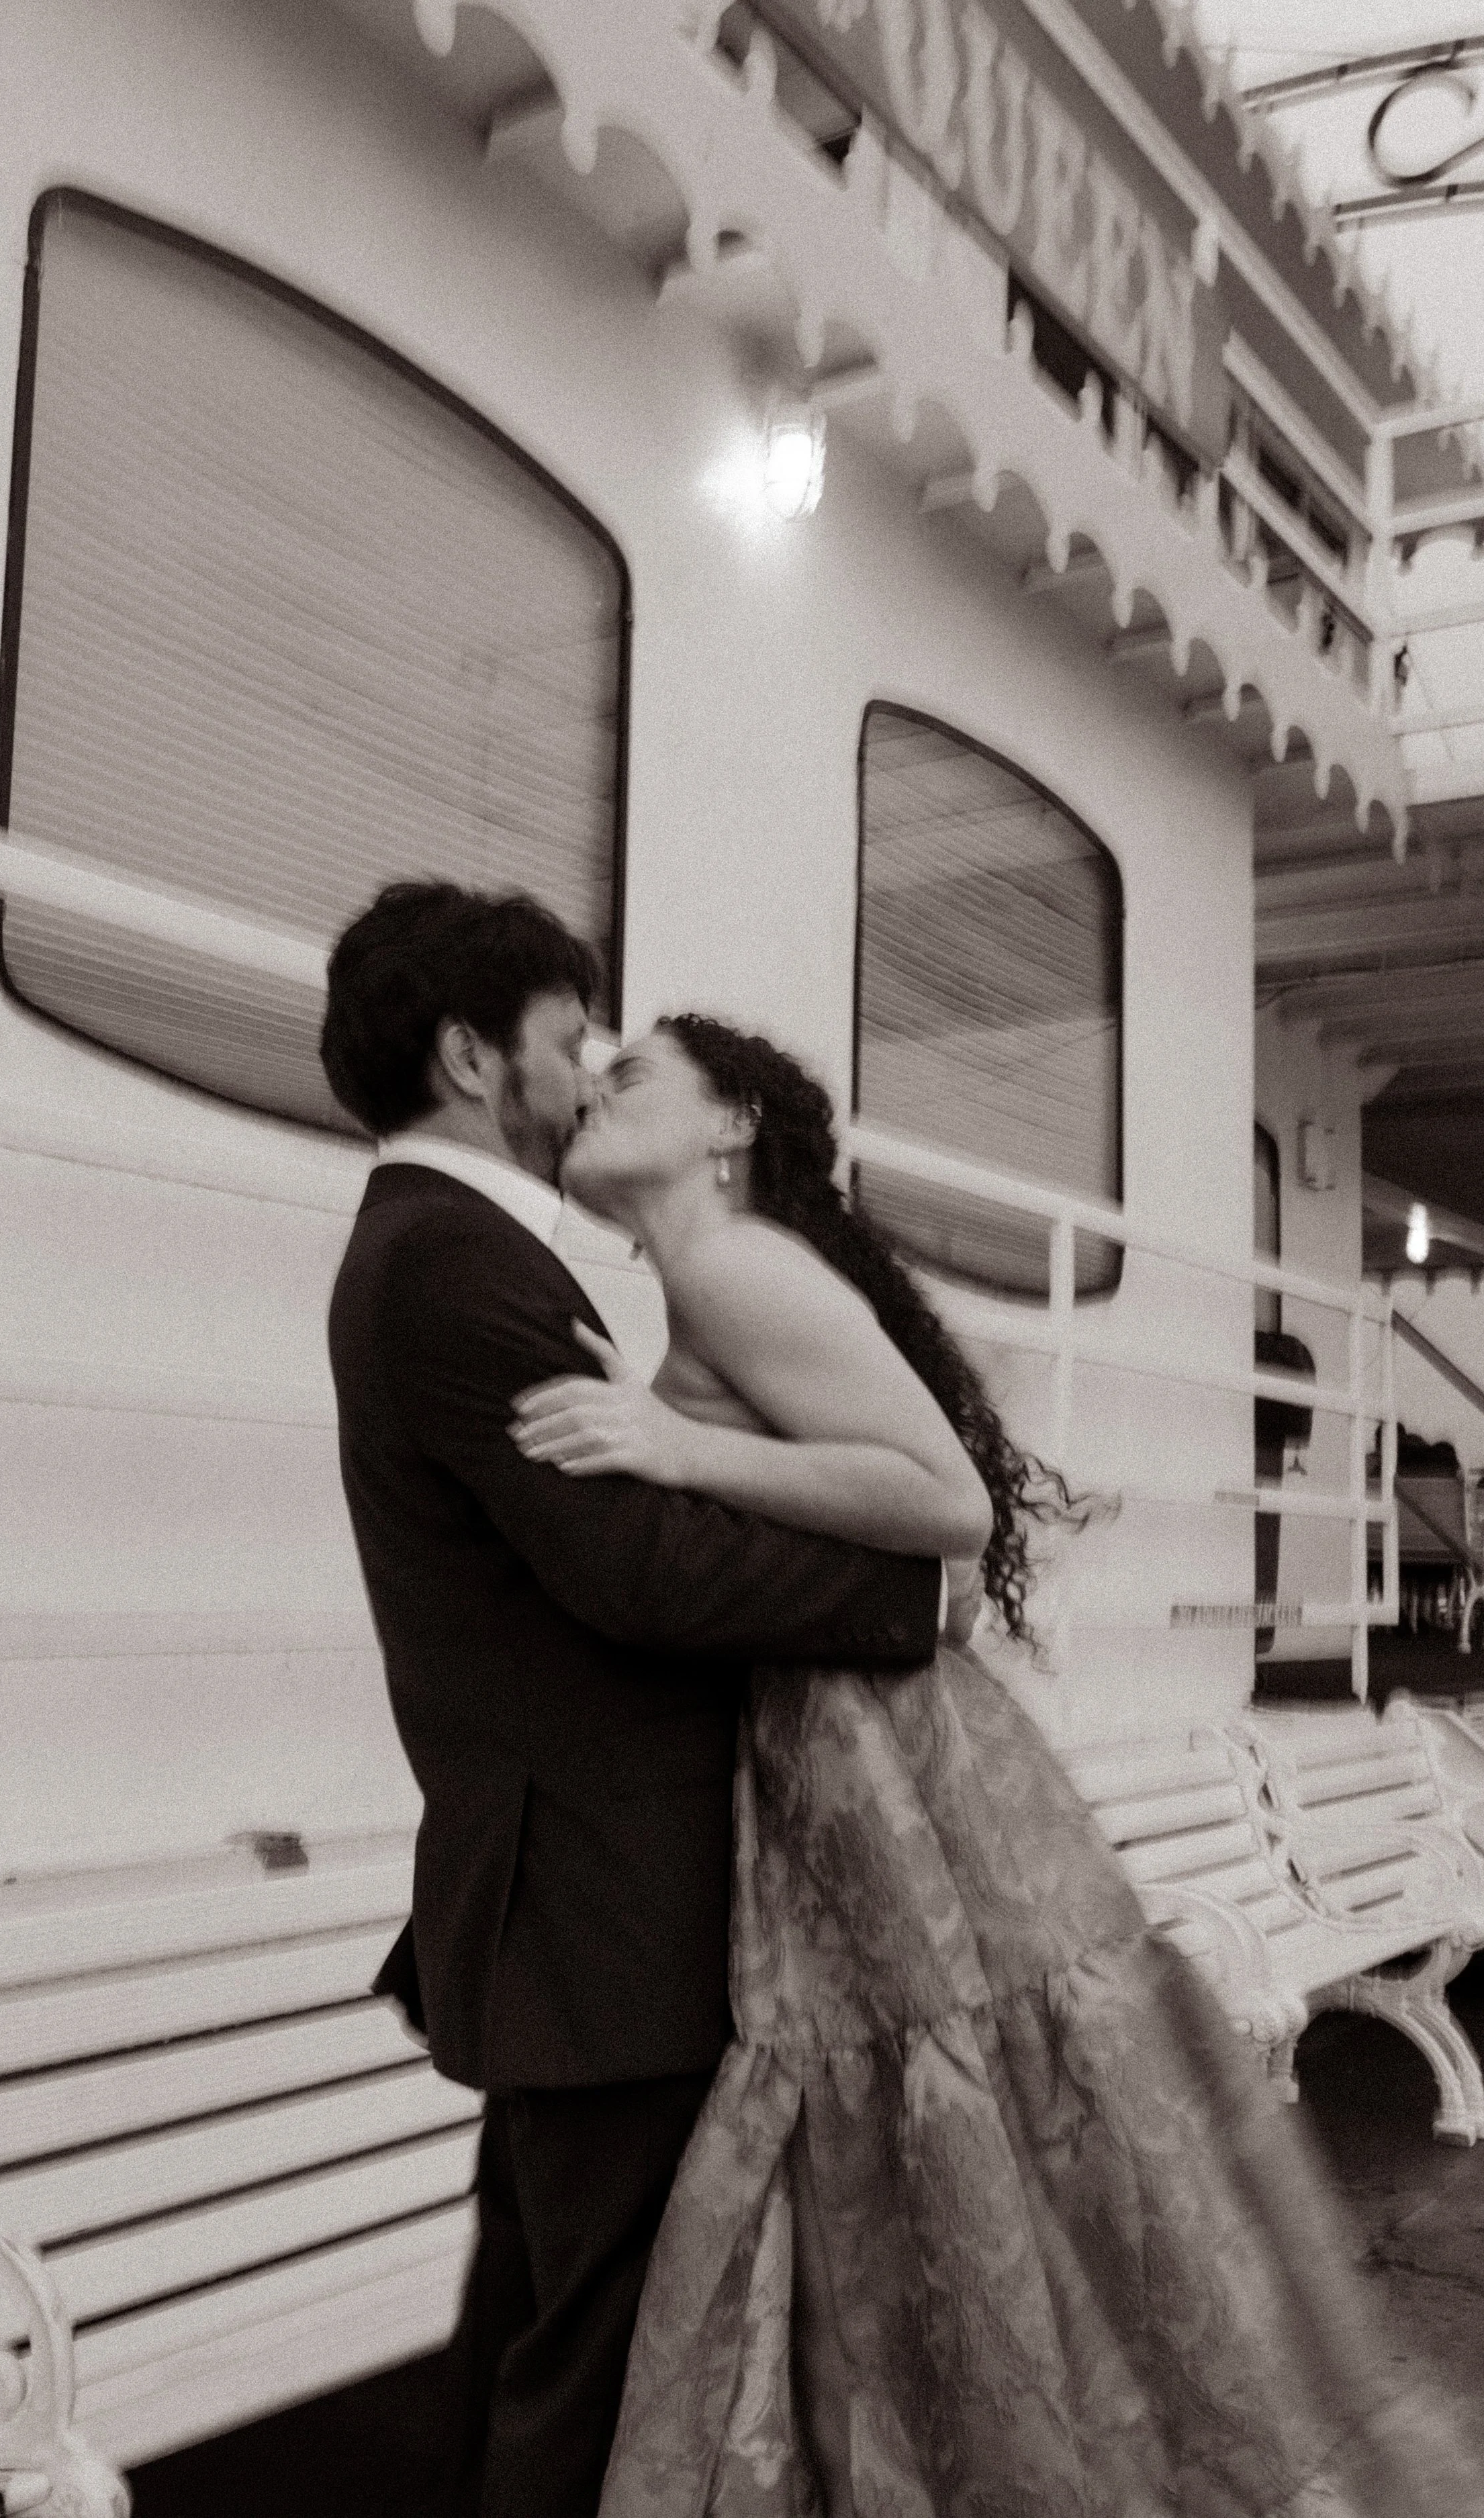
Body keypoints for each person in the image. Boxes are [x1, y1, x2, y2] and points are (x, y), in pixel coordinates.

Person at [511, 1011, 1483, 2518]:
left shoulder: (730, 1259)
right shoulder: (718, 1270)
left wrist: (672, 1448)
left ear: (727, 1132)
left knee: (946, 2101)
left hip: (880, 1754)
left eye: (632, 1072)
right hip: (866, 1749)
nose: (593, 1085)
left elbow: (943, 1502)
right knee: (974, 2117)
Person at [320, 884, 958, 2518]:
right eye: (563, 1043)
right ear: (472, 1058)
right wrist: (908, 1597)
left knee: (542, 2330)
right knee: (602, 2366)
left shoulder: (443, 1251)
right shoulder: (457, 1265)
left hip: (572, 1910)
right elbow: (638, 1574)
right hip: (602, 1912)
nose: (585, 1071)